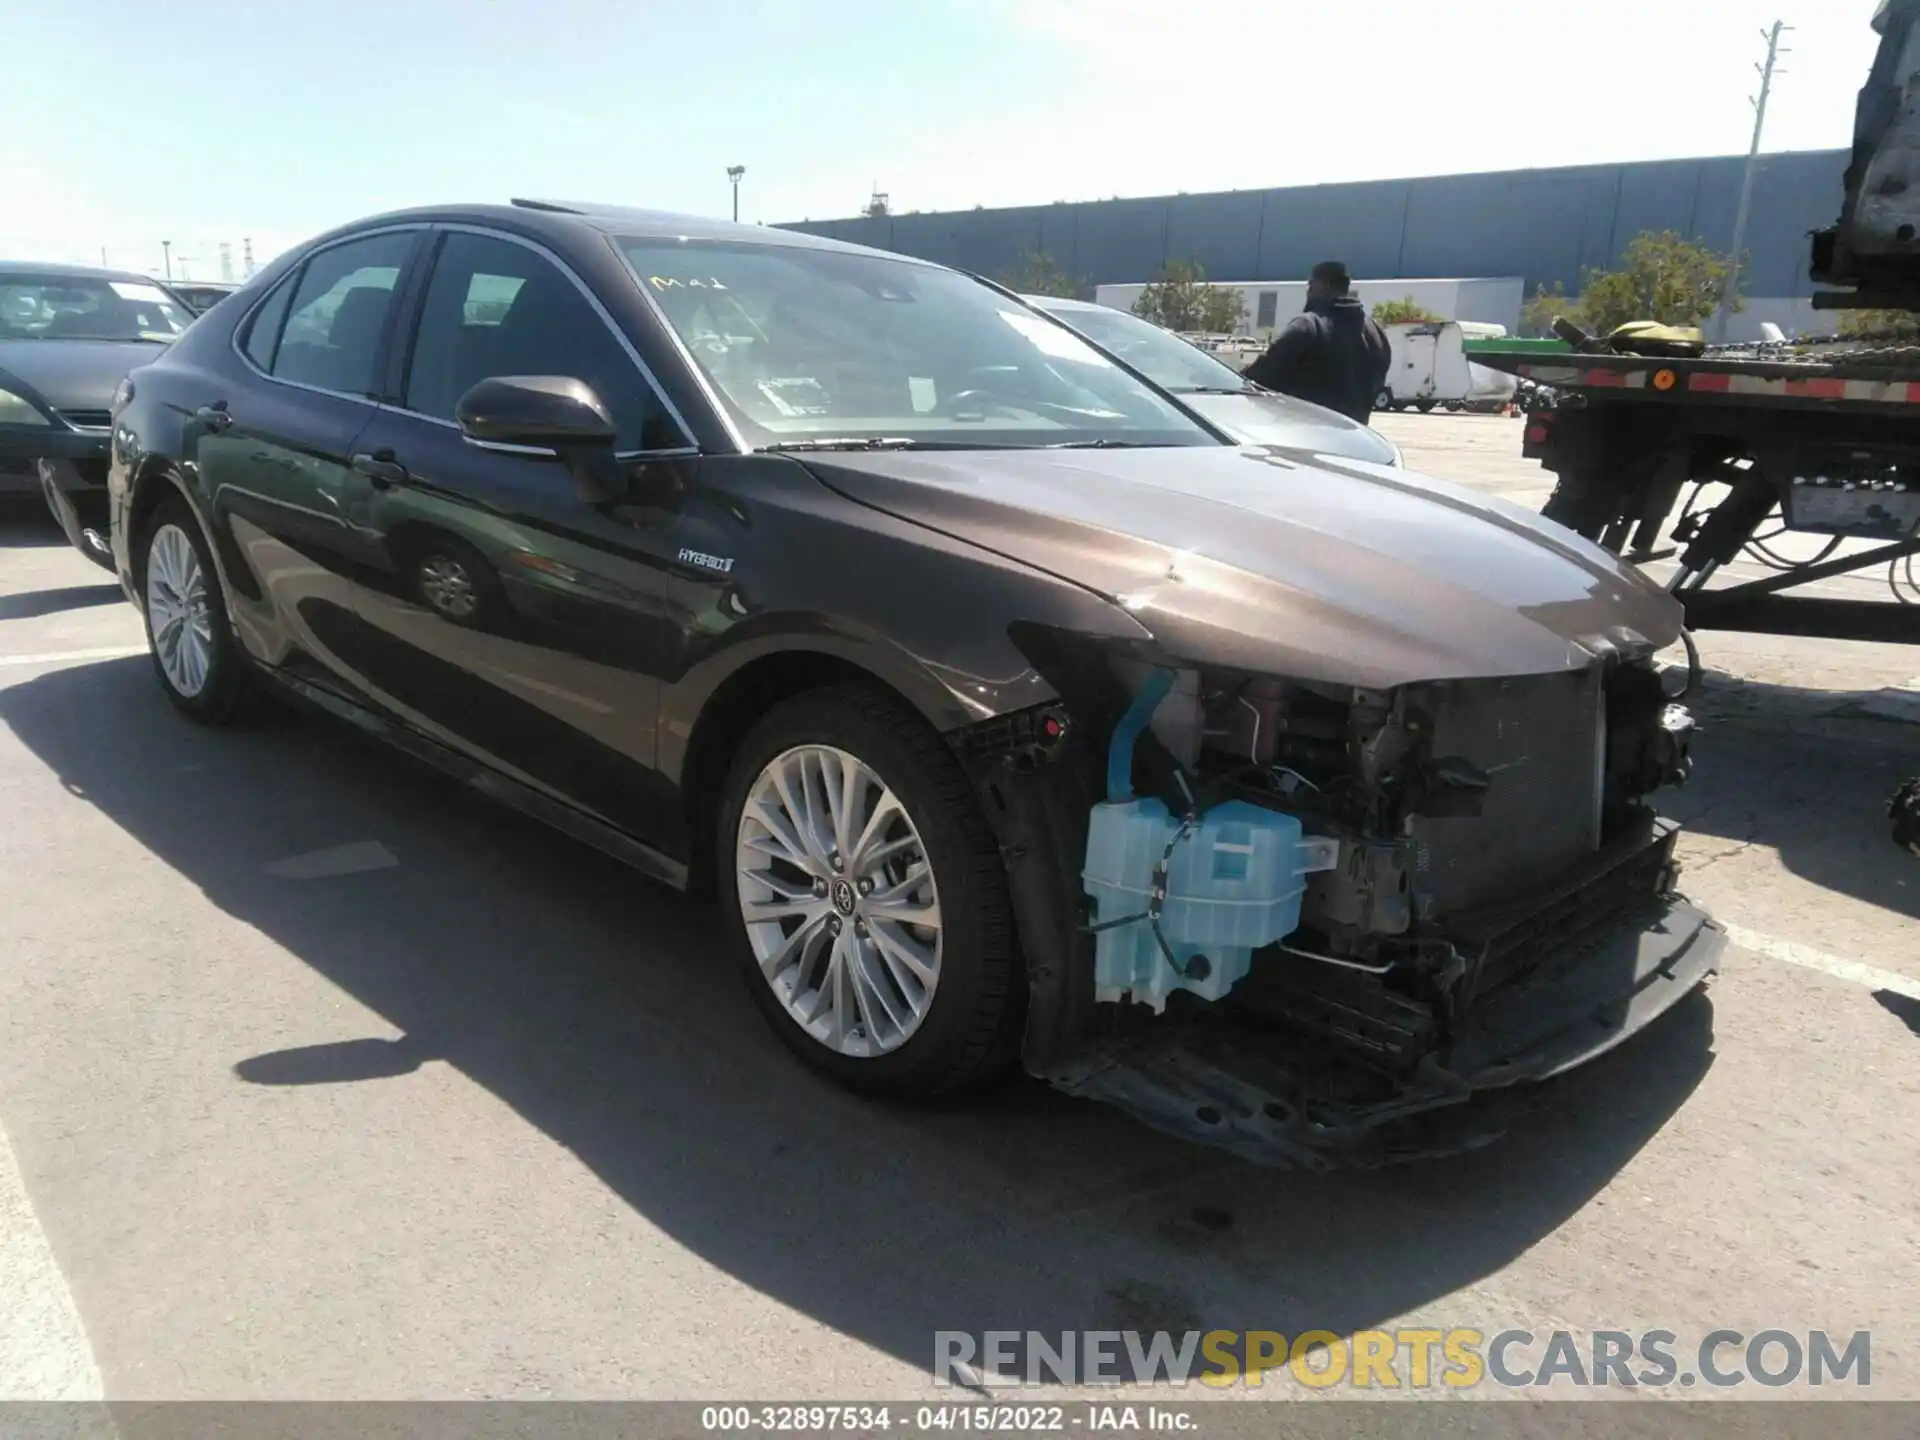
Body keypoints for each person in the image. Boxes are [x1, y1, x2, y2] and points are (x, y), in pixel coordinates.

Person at [1243, 261, 1392, 425]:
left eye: (1311, 285)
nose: (1309, 291)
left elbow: (1261, 375)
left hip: (1307, 437)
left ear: (1323, 285)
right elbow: (1377, 385)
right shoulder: (1376, 332)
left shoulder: (1308, 326)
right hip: (1355, 440)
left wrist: (1232, 380)